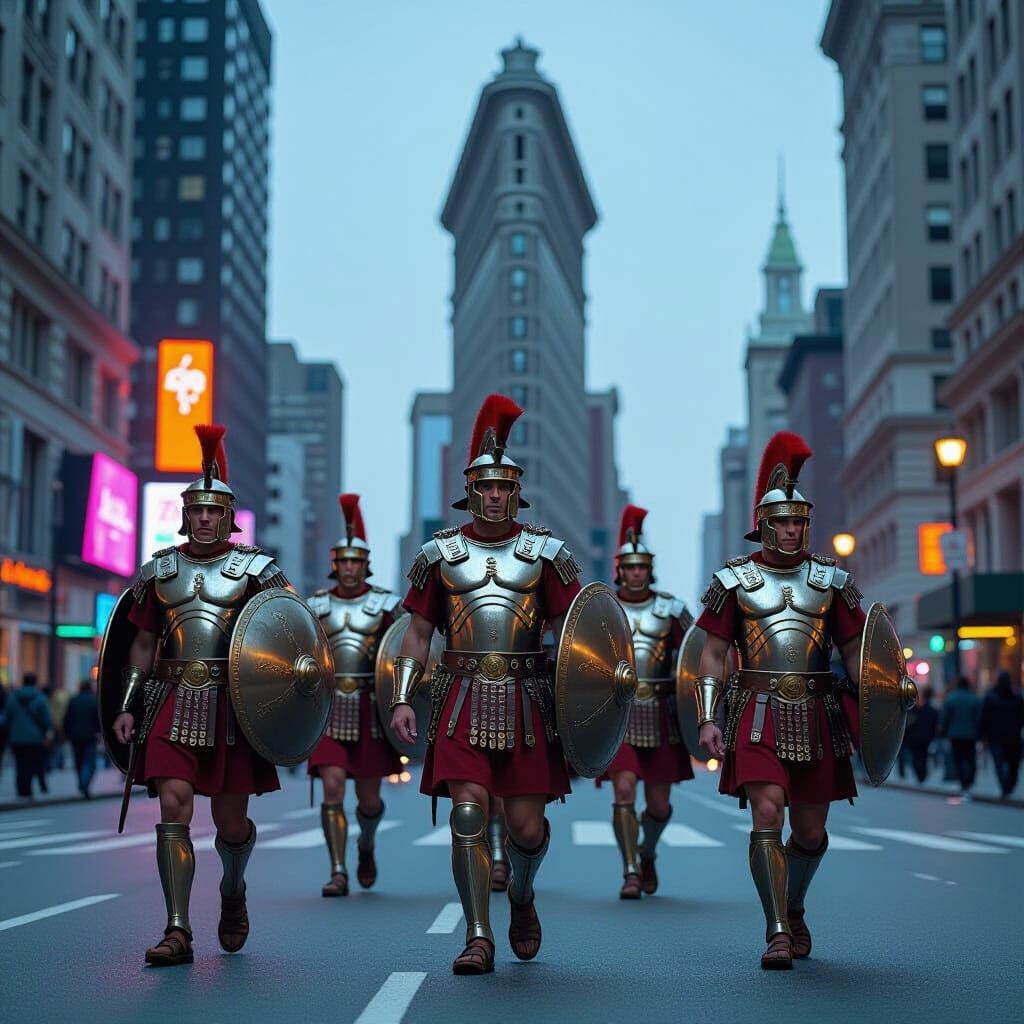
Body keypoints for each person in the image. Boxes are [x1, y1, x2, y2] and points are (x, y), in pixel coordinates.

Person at [390, 394, 581, 975]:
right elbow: (418, 633)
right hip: (461, 701)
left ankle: (520, 896)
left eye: (504, 487)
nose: (494, 495)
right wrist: (401, 696)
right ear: (469, 491)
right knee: (468, 814)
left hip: (527, 700)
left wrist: (585, 703)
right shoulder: (438, 555)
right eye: (484, 486)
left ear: (516, 491)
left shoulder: (547, 555)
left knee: (526, 827)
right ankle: (478, 934)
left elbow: (573, 637)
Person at [111, 425, 290, 967]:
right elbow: (141, 643)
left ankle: (232, 891)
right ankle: (177, 928)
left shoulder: (257, 573)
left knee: (231, 824)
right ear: (185, 514)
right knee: (173, 804)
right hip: (171, 698)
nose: (205, 519)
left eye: (215, 511)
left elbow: (284, 637)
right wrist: (126, 705)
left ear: (229, 517)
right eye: (197, 510)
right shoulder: (161, 573)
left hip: (233, 705)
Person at [695, 432, 869, 971]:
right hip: (758, 712)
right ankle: (775, 929)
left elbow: (857, 653)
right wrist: (707, 718)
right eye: (782, 521)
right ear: (764, 525)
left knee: (812, 832)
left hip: (819, 715)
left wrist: (886, 691)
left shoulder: (832, 582)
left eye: (799, 521)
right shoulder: (735, 582)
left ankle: (793, 905)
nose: (792, 530)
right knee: (766, 814)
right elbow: (714, 654)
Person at [307, 493, 405, 896]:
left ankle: (365, 843)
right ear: (336, 565)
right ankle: (337, 869)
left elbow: (403, 650)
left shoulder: (386, 605)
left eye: (356, 561)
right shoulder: (314, 605)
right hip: (330, 708)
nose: (350, 568)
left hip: (369, 707)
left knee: (368, 799)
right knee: (332, 786)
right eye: (344, 561)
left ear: (365, 564)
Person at [603, 505, 694, 899]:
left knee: (658, 805)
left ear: (649, 569)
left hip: (662, 713)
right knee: (623, 790)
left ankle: (647, 852)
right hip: (620, 713)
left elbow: (694, 659)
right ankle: (629, 872)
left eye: (642, 567)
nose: (636, 573)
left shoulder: (671, 610)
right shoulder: (603, 609)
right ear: (620, 569)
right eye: (629, 566)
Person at [7, 672, 53, 798]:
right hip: (35, 738)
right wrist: (47, 730)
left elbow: (7, 716)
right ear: (34, 682)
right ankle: (28, 789)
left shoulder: (13, 697)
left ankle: (21, 789)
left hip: (16, 737)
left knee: (20, 764)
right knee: (31, 763)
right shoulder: (40, 698)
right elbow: (46, 719)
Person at [979, 671, 1024, 799]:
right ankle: (1009, 784)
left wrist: (982, 734)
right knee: (1013, 762)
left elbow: (984, 717)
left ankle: (1005, 785)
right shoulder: (1017, 697)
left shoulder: (991, 697)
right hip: (1013, 735)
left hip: (996, 736)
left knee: (999, 762)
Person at [940, 676, 981, 794]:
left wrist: (943, 731)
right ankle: (970, 780)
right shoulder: (974, 698)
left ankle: (963, 781)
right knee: (971, 758)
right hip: (971, 734)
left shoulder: (951, 698)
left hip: (955, 734)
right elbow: (978, 718)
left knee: (958, 758)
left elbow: (945, 718)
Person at [64, 679, 100, 798]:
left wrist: (67, 734)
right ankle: (84, 783)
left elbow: (67, 719)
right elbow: (98, 719)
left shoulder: (73, 700)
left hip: (75, 736)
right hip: (90, 735)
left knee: (78, 761)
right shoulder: (94, 701)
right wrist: (99, 733)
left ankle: (81, 781)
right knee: (90, 762)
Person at [903, 687, 939, 784]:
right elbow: (907, 725)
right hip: (914, 739)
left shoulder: (930, 711)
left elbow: (934, 725)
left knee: (923, 757)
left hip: (925, 739)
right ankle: (919, 774)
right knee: (916, 758)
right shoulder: (912, 711)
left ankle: (922, 774)